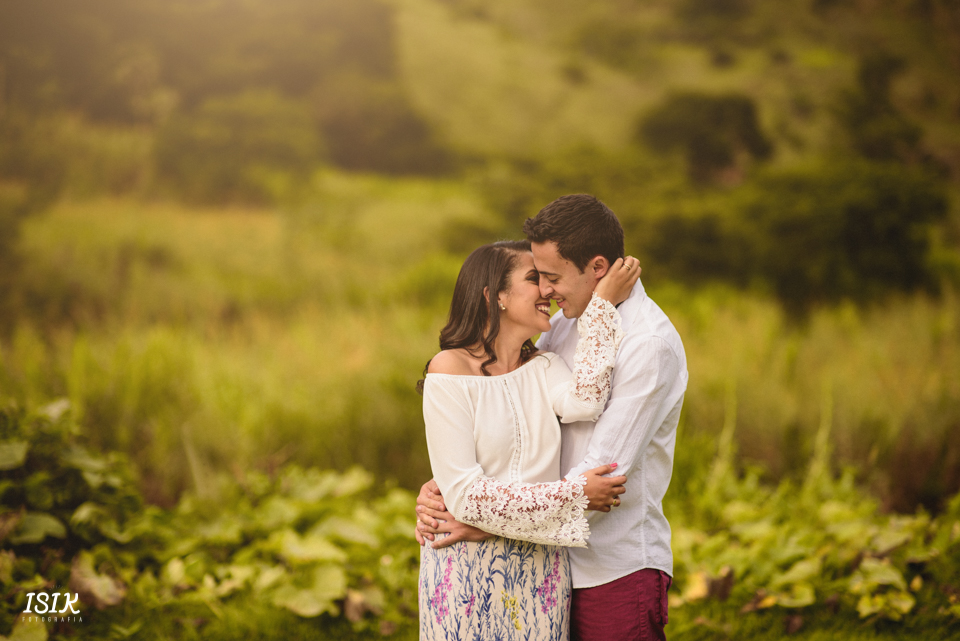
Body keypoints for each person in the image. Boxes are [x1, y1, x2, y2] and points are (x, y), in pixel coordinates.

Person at [416, 195, 688, 641]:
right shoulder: (560, 326)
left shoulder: (647, 344)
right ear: (496, 297)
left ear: (597, 269)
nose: (546, 290)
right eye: (536, 277)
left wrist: (485, 520)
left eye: (552, 277)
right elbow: (507, 437)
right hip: (550, 564)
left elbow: (603, 478)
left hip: (610, 567)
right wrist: (444, 490)